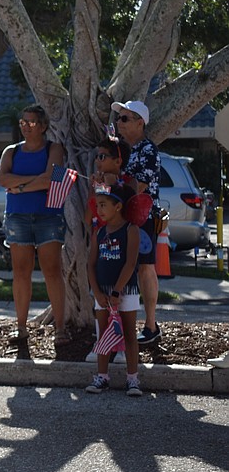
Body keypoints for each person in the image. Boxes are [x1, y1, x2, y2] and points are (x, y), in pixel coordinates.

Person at [0, 104, 68, 346]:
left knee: (52, 271)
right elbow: (2, 178)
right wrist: (35, 181)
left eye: (31, 122)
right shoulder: (11, 151)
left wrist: (20, 187)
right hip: (18, 217)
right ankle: (21, 327)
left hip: (48, 216)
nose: (25, 126)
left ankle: (60, 328)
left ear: (44, 126)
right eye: (22, 122)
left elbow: (53, 179)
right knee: (21, 273)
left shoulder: (55, 149)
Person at [85, 183, 143, 397]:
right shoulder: (99, 232)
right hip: (102, 291)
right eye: (97, 205)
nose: (98, 210)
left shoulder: (131, 230)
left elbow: (130, 263)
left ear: (117, 206)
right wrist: (97, 292)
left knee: (129, 334)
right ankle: (102, 376)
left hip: (125, 290)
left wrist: (117, 292)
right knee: (103, 334)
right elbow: (91, 264)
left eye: (103, 205)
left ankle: (132, 379)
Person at [112, 100, 162, 345]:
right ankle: (118, 324)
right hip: (121, 219)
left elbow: (137, 186)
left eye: (124, 118)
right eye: (118, 118)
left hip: (142, 218)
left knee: (145, 268)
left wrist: (112, 183)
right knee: (121, 269)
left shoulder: (147, 150)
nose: (118, 122)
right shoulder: (122, 149)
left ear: (140, 123)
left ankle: (151, 325)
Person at [84, 136, 132, 363]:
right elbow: (88, 217)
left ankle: (122, 347)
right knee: (100, 302)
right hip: (101, 245)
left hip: (122, 249)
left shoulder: (127, 185)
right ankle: (101, 344)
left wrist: (111, 184)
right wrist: (95, 190)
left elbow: (131, 214)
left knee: (122, 301)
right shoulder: (98, 186)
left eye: (103, 157)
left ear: (118, 160)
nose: (98, 162)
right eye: (96, 157)